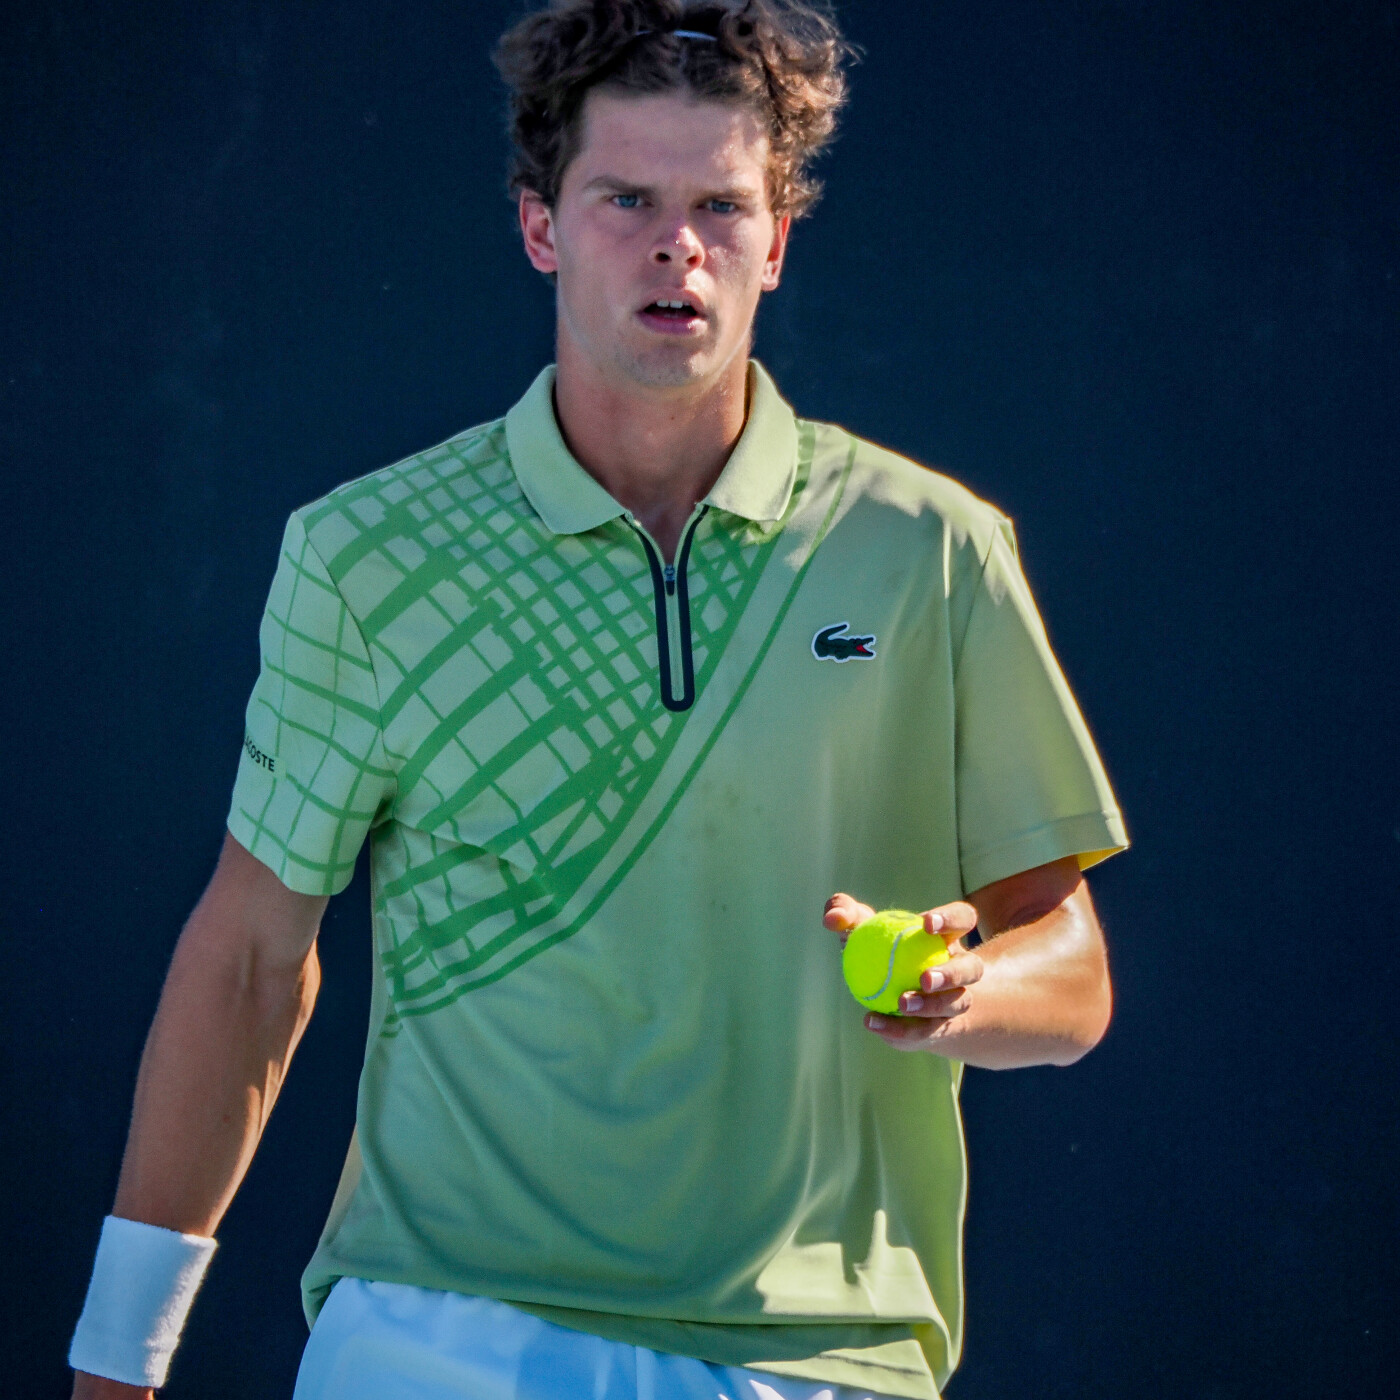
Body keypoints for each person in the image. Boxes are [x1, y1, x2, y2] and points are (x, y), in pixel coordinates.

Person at [69, 3, 1127, 1398]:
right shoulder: (366, 555)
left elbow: (1072, 966)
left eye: (720, 206)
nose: (676, 244)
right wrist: (120, 1357)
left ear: (777, 241)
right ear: (541, 227)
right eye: (627, 198)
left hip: (819, 1352)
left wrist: (966, 985)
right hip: (437, 1332)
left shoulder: (934, 548)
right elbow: (254, 960)